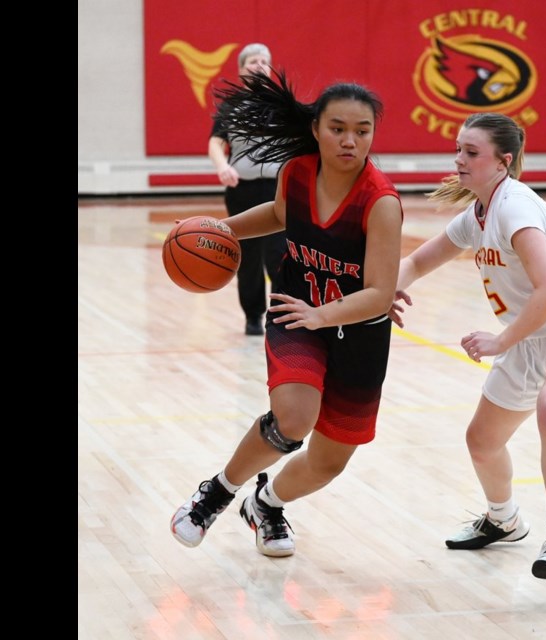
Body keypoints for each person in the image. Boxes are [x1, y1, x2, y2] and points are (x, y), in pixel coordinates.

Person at [171, 70, 403, 557]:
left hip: (357, 332)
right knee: (293, 418)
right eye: (338, 128)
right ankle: (217, 491)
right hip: (296, 309)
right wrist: (216, 230)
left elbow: (380, 293)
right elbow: (280, 215)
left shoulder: (380, 201)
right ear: (316, 128)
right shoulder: (296, 171)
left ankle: (266, 505)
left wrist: (326, 315)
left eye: (362, 131)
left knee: (329, 462)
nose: (350, 140)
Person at [390, 113, 546, 583]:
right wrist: (382, 294)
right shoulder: (476, 214)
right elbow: (415, 261)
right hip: (529, 339)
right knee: (482, 442)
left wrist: (500, 340)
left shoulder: (515, 207)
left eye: (471, 153)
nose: (459, 159)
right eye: (458, 149)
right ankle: (504, 520)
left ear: (503, 162)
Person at [208, 43, 288, 336]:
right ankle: (253, 316)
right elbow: (216, 142)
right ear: (241, 70)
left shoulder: (283, 103)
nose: (260, 65)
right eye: (253, 61)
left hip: (278, 189)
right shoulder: (231, 105)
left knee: (280, 254)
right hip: (242, 190)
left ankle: (280, 315)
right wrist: (222, 166)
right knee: (248, 256)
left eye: (265, 61)